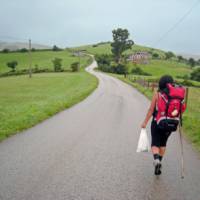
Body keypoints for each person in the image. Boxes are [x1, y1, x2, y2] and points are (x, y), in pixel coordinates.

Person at [141, 75, 174, 175]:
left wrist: (145, 122)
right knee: (163, 144)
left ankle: (156, 160)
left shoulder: (158, 94)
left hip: (157, 122)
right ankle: (160, 160)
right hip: (170, 124)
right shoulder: (174, 95)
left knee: (155, 143)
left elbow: (151, 110)